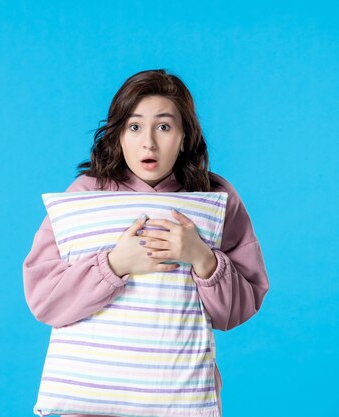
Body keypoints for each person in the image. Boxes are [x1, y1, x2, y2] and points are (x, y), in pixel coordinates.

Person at [23, 69, 270, 417]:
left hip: (181, 400)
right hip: (90, 405)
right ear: (119, 134)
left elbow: (238, 309)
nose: (149, 143)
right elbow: (44, 301)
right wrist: (114, 265)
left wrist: (202, 257)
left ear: (185, 136)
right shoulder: (84, 195)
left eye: (165, 126)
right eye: (135, 126)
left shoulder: (215, 197)